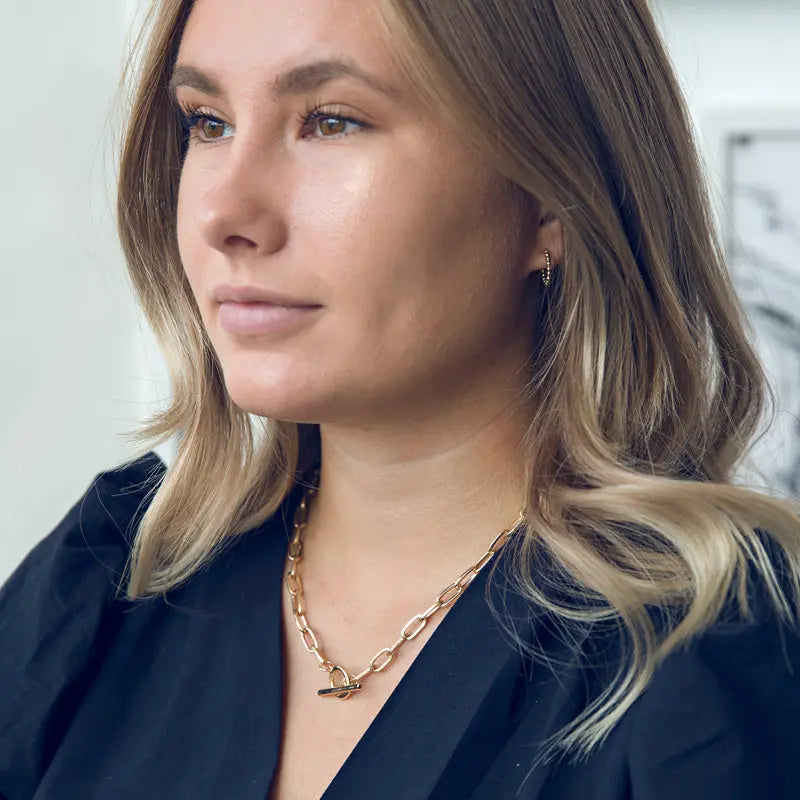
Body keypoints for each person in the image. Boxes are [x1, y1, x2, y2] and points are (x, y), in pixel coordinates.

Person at [2, 0, 800, 797]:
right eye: (208, 124)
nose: (225, 215)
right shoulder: (107, 586)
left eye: (331, 122)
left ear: (551, 197)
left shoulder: (709, 652)